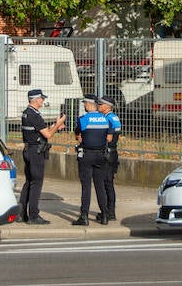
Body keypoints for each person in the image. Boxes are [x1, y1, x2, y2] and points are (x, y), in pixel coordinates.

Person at [18, 89, 64, 224]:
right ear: (36, 99)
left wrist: (54, 126)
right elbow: (48, 135)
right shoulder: (35, 115)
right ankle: (33, 215)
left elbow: (40, 130)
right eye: (41, 99)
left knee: (29, 182)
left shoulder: (26, 113)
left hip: (28, 150)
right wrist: (58, 124)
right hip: (35, 152)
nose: (43, 101)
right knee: (36, 183)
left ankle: (21, 214)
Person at [73, 95, 111, 226]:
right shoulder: (105, 119)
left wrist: (81, 138)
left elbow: (78, 134)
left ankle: (84, 216)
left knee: (86, 186)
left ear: (89, 105)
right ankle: (105, 215)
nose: (84, 106)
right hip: (101, 155)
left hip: (87, 155)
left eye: (85, 104)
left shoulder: (83, 119)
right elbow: (108, 137)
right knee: (100, 186)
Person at [97, 96, 122, 221]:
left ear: (107, 106)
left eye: (100, 105)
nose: (98, 106)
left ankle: (109, 212)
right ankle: (109, 211)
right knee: (108, 183)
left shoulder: (108, 119)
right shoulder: (114, 117)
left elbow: (109, 138)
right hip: (112, 153)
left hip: (107, 153)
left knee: (106, 183)